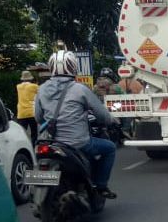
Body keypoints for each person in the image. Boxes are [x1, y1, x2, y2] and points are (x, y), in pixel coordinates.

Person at [35, 49, 119, 199]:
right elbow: (102, 115)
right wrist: (112, 120)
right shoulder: (80, 89)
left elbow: (38, 117)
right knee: (110, 148)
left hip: (49, 142)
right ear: (73, 67)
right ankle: (100, 186)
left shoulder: (41, 90)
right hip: (77, 142)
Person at [15, 70, 39, 142]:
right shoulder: (35, 86)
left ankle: (23, 145)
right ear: (30, 78)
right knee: (34, 132)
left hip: (21, 113)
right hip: (32, 112)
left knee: (22, 132)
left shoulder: (18, 86)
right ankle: (32, 145)